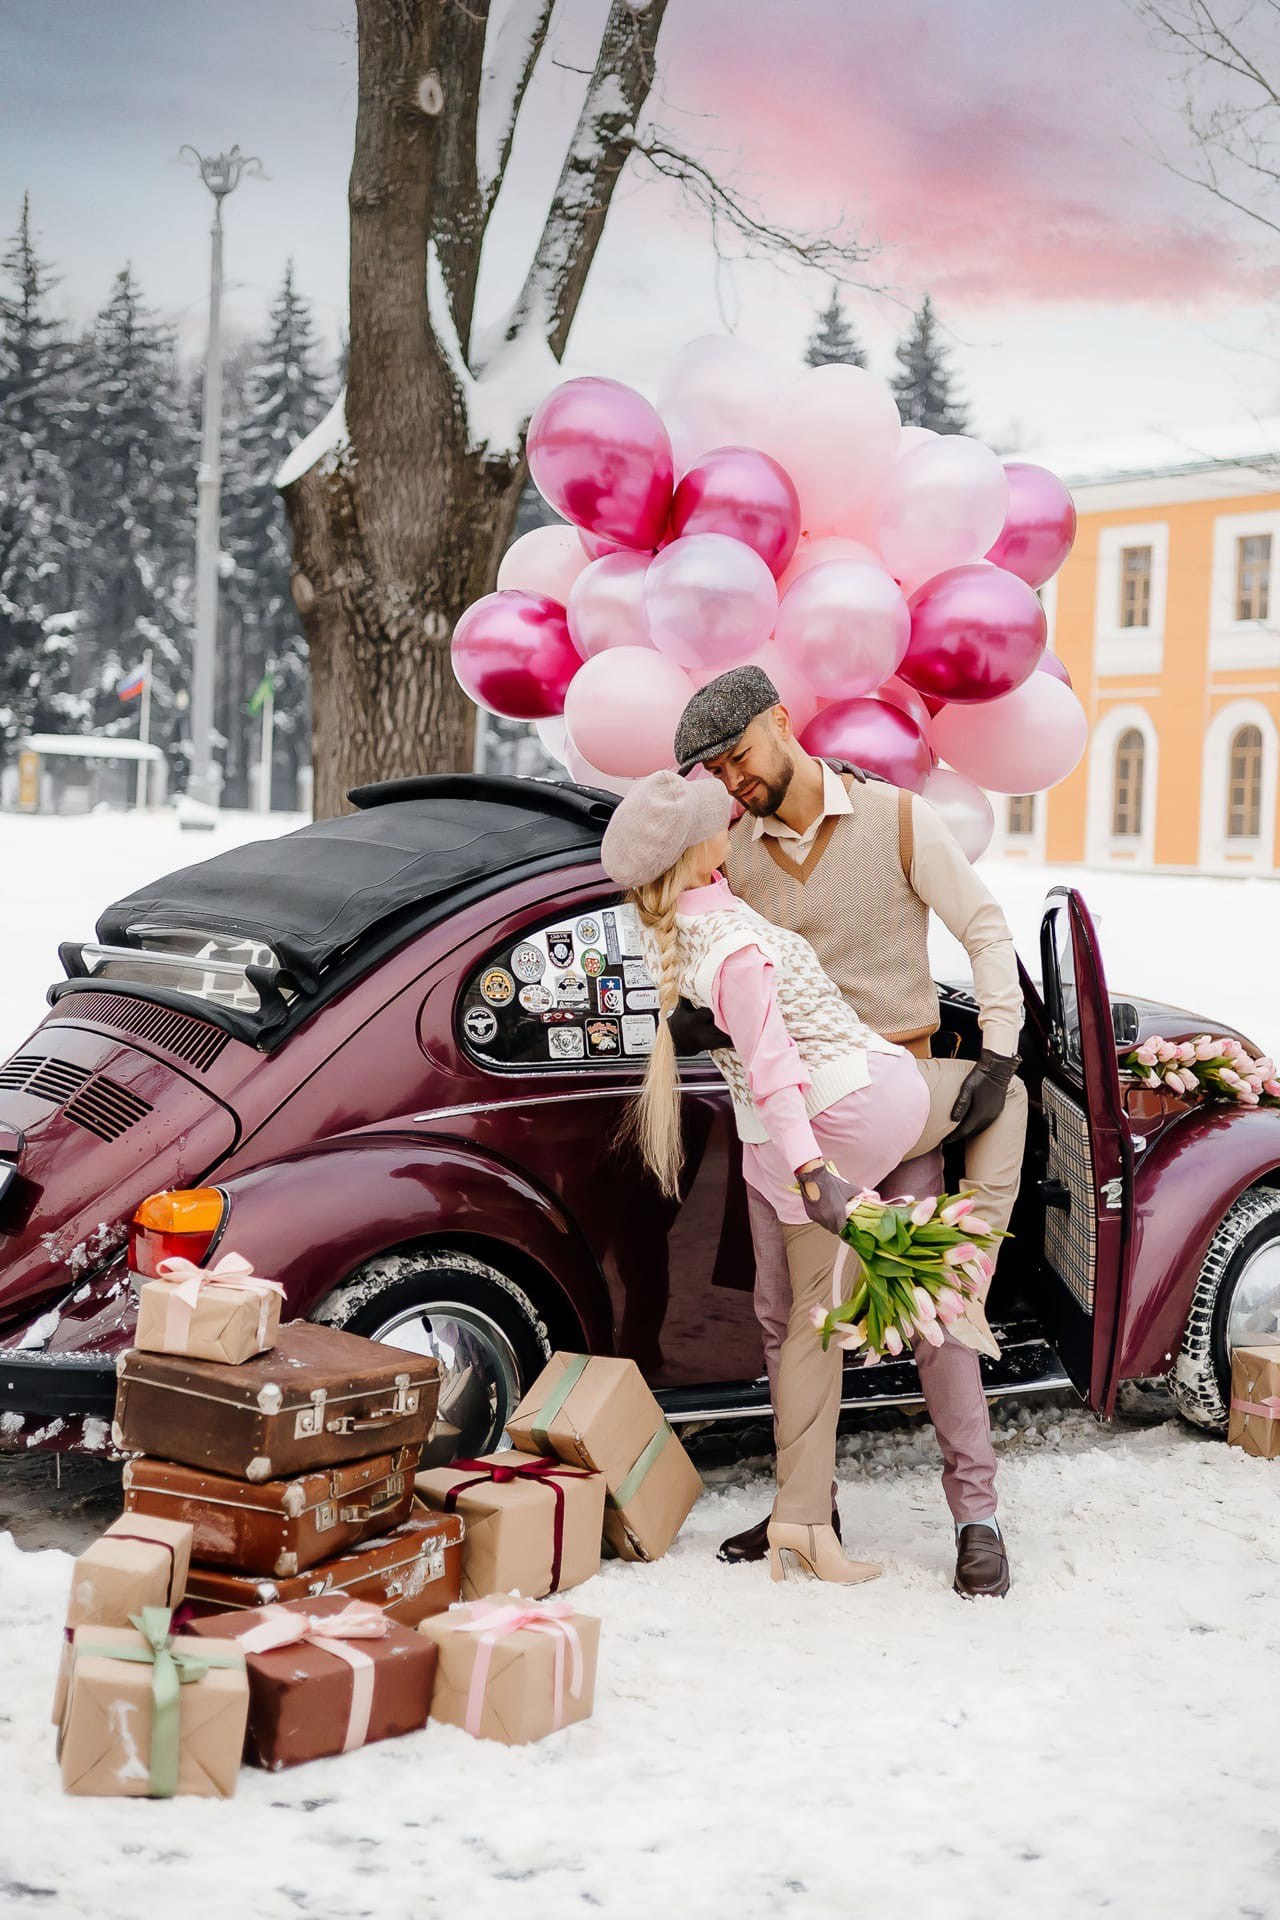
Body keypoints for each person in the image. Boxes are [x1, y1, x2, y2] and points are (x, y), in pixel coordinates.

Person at [669, 665, 1028, 1600]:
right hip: (790, 1130)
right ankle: (808, 1506)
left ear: (780, 722)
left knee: (936, 1310)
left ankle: (977, 1516)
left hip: (896, 1108)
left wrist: (995, 1055)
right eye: (715, 770)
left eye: (738, 755)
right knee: (787, 1321)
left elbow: (986, 929)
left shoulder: (898, 820)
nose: (732, 780)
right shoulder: (730, 854)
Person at [601, 767, 934, 1585]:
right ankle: (805, 1524)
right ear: (698, 848)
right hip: (826, 1125)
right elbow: (774, 1067)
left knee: (787, 1322)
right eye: (719, 821)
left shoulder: (680, 921)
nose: (732, 824)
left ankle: (799, 1513)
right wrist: (815, 1173)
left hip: (775, 1141)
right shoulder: (737, 949)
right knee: (815, 1330)